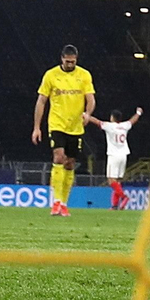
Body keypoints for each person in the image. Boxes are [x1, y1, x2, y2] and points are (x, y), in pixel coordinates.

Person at [33, 45, 94, 216]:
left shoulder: (84, 75)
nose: (70, 64)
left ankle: (64, 203)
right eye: (67, 62)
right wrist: (37, 127)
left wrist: (88, 114)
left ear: (76, 59)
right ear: (62, 59)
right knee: (59, 157)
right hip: (57, 124)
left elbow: (90, 99)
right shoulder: (51, 75)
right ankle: (56, 202)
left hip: (76, 127)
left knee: (70, 163)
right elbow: (41, 101)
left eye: (72, 62)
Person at [85, 107, 143, 210]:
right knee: (118, 181)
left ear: (112, 118)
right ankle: (115, 205)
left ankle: (124, 197)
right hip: (124, 155)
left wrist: (87, 116)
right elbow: (133, 120)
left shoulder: (110, 126)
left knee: (111, 180)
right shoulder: (124, 126)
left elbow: (97, 122)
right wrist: (138, 113)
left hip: (114, 155)